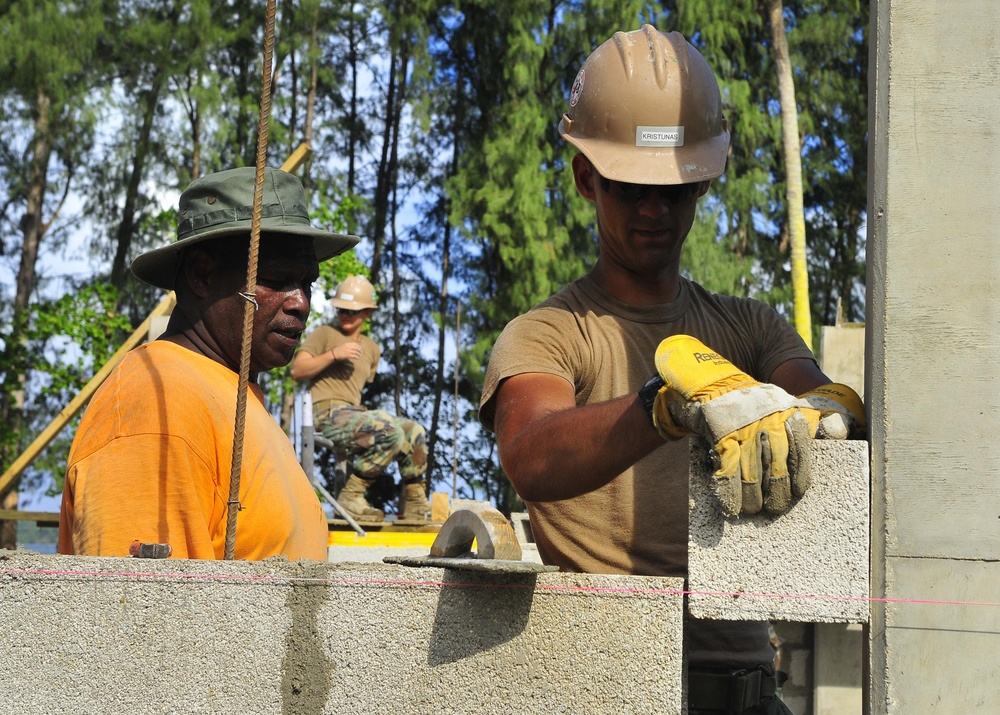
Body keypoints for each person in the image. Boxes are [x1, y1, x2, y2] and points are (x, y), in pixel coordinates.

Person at [477, 26, 865, 715]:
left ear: (705, 183)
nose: (654, 210)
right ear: (585, 178)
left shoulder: (750, 327)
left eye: (675, 191)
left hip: (746, 691)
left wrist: (825, 412)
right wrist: (663, 409)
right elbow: (531, 453)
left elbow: (811, 392)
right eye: (631, 190)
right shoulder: (550, 333)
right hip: (607, 688)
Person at [58, 166, 357, 560]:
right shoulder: (159, 404)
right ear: (202, 274)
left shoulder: (235, 399)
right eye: (277, 277)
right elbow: (135, 611)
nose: (300, 302)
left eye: (307, 283)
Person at [290, 275, 431, 523]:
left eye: (353, 311)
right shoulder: (325, 334)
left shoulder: (371, 349)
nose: (346, 314)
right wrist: (334, 354)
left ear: (366, 313)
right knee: (389, 431)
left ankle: (416, 503)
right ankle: (351, 496)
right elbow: (297, 371)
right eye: (342, 309)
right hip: (326, 413)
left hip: (354, 413)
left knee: (413, 430)